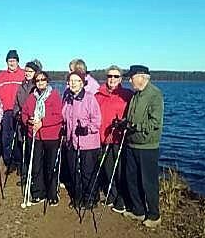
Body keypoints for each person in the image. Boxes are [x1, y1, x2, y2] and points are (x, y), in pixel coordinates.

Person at [121, 65, 164, 228]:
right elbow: (131, 117)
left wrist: (135, 126)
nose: (129, 80)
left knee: (149, 182)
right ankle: (138, 210)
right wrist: (124, 124)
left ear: (142, 77)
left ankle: (154, 215)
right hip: (132, 144)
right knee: (132, 179)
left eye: (132, 77)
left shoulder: (155, 94)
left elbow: (155, 122)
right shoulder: (136, 95)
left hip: (147, 146)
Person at [94, 65, 133, 213]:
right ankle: (112, 194)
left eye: (116, 76)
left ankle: (122, 199)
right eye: (110, 76)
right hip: (103, 138)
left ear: (120, 79)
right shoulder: (99, 95)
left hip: (119, 139)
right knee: (108, 169)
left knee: (120, 171)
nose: (112, 79)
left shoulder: (126, 95)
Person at [21, 71, 63, 206]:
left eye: (43, 79)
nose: (40, 82)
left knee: (51, 165)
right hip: (35, 135)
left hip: (51, 135)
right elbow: (25, 113)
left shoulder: (55, 95)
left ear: (47, 81)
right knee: (36, 165)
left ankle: (52, 194)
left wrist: (42, 122)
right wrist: (29, 121)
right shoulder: (31, 98)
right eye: (38, 80)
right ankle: (38, 192)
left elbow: (58, 116)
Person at [62, 70, 102, 209]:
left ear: (82, 83)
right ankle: (77, 196)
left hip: (88, 143)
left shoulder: (90, 98)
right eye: (70, 81)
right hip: (72, 141)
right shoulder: (68, 98)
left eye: (76, 81)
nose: (72, 83)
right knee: (74, 171)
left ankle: (91, 198)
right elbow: (65, 117)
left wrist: (87, 128)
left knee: (87, 172)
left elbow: (97, 121)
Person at [0, 50, 25, 174]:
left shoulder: (23, 75)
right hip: (5, 111)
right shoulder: (1, 76)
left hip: (19, 111)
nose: (12, 63)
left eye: (14, 60)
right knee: (6, 137)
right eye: (9, 61)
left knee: (19, 137)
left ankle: (19, 162)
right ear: (6, 62)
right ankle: (9, 162)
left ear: (17, 61)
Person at [13, 59, 42, 185]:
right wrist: (17, 114)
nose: (27, 73)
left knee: (34, 152)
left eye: (30, 71)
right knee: (24, 150)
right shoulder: (22, 86)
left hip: (34, 124)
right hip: (22, 123)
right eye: (26, 71)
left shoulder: (37, 86)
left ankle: (35, 178)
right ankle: (25, 176)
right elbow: (16, 104)